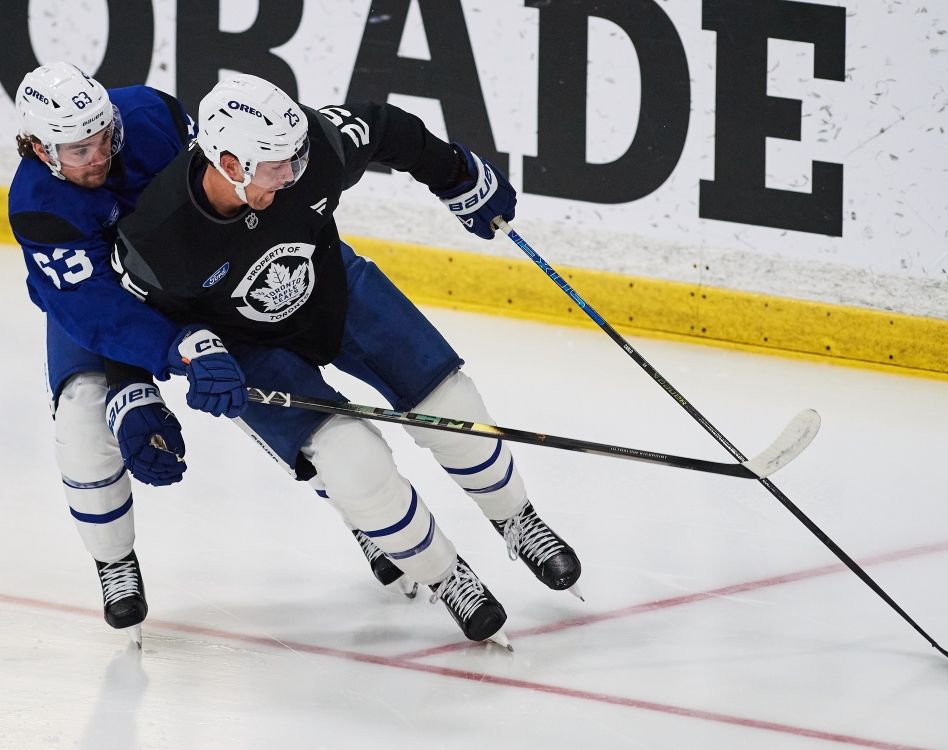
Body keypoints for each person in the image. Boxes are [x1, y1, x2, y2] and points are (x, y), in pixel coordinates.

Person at [112, 74, 583, 646]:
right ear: (229, 162)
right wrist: (156, 380)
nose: (290, 175)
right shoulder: (155, 236)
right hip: (249, 348)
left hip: (337, 292)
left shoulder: (307, 148)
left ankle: (516, 517)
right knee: (354, 465)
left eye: (295, 160)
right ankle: (446, 576)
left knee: (452, 404)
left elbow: (386, 128)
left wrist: (456, 175)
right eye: (274, 166)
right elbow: (130, 324)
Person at [8, 62, 194, 645]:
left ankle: (364, 515)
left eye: (103, 137)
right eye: (77, 148)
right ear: (39, 148)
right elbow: (99, 311)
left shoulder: (152, 115)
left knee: (268, 382)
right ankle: (113, 560)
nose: (99, 156)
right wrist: (139, 376)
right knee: (83, 413)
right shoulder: (37, 203)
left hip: (190, 277)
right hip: (101, 298)